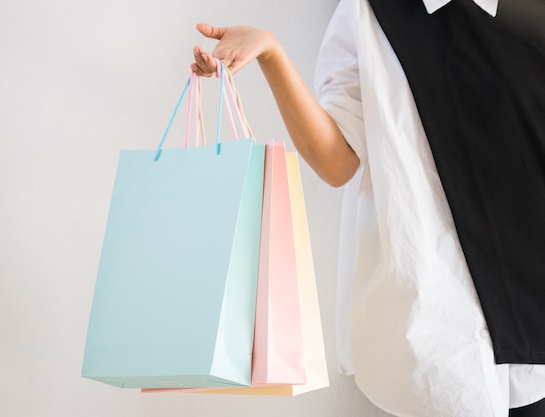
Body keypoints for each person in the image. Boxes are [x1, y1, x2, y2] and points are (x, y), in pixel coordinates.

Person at [191, 0, 545, 416]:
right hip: (438, 311)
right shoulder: (371, 13)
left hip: (530, 304)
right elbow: (337, 162)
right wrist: (271, 53)